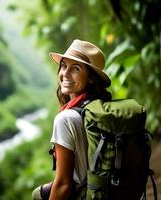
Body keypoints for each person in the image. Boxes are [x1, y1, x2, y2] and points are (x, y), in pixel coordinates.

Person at [32, 39, 112, 200]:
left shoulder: (65, 119)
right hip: (111, 190)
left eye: (75, 68)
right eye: (63, 66)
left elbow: (64, 184)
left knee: (38, 195)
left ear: (91, 78)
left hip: (87, 194)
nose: (65, 74)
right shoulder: (101, 107)